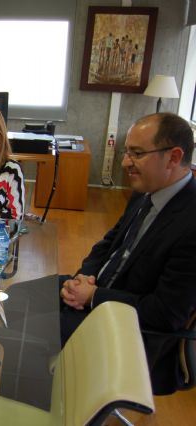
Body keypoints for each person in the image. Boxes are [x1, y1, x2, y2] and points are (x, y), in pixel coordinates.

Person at [60, 112, 196, 395]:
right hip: (98, 295)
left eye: (136, 153)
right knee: (19, 298)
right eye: (126, 152)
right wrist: (84, 277)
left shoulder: (191, 224)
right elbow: (109, 243)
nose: (124, 163)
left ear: (173, 157)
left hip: (132, 333)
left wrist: (94, 297)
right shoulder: (146, 191)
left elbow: (165, 314)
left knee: (30, 333)